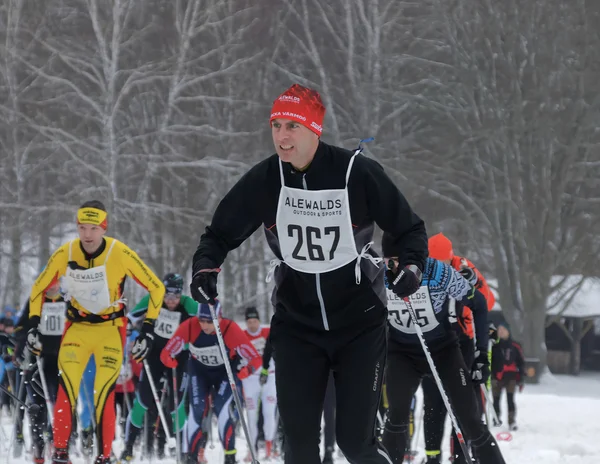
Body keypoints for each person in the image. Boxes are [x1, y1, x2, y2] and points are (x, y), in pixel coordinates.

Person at [189, 83, 427, 464]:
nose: (281, 137)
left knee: (355, 443)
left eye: (292, 127)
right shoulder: (266, 179)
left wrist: (410, 267)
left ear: (315, 129)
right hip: (297, 325)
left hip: (359, 325)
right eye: (275, 126)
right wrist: (205, 268)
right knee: (298, 448)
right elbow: (218, 234)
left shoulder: (355, 172)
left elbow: (408, 228)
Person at [26, 200, 165, 464]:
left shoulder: (119, 252)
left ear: (103, 228)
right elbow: (38, 288)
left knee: (103, 393)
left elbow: (156, 287)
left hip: (110, 330)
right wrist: (34, 325)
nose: (87, 235)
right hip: (76, 329)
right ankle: (60, 452)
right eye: (81, 228)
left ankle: (104, 455)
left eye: (93, 228)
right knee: (67, 388)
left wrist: (148, 330)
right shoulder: (65, 253)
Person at [381, 256, 506, 464]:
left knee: (470, 418)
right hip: (402, 353)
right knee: (396, 417)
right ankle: (432, 457)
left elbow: (480, 302)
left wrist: (482, 353)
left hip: (441, 350)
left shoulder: (438, 270)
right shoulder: (378, 271)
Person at [421, 233, 496, 463]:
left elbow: (487, 302)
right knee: (433, 402)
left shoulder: (463, 266)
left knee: (462, 403)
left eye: (443, 264)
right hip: (432, 340)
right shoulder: (420, 267)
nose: (438, 269)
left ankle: (459, 456)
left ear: (450, 258)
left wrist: (474, 281)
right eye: (434, 263)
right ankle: (432, 456)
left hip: (461, 340)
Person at [160, 300, 263, 464]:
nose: (205, 325)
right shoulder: (190, 325)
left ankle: (230, 457)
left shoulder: (230, 329)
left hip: (225, 373)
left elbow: (256, 359)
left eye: (210, 321)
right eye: (202, 320)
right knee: (197, 408)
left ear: (219, 318)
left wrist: (247, 370)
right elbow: (167, 351)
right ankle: (191, 457)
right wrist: (168, 359)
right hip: (199, 373)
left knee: (221, 408)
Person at [121, 272, 197, 461]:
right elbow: (129, 317)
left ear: (181, 295)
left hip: (179, 357)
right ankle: (128, 448)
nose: (171, 301)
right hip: (155, 356)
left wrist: (185, 346)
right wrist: (129, 328)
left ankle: (183, 451)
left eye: (175, 297)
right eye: (167, 296)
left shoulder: (189, 305)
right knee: (143, 401)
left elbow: (208, 323)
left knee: (176, 405)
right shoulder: (153, 299)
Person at [14, 278, 65, 463]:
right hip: (36, 360)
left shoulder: (66, 301)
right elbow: (19, 328)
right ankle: (38, 448)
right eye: (49, 283)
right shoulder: (35, 300)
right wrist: (27, 336)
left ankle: (56, 443)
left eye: (55, 282)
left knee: (59, 403)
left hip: (58, 360)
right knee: (36, 406)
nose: (53, 286)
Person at [240, 306, 278, 461]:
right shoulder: (242, 336)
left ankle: (270, 447)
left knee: (269, 413)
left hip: (270, 377)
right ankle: (251, 449)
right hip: (250, 380)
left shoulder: (267, 332)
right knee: (251, 415)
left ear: (259, 321)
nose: (252, 324)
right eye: (249, 321)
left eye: (254, 321)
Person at [491, 322, 525, 431]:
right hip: (496, 376)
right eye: (499, 330)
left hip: (511, 377)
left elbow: (521, 363)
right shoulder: (493, 345)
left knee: (510, 399)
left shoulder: (515, 346)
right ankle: (496, 419)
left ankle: (512, 421)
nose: (501, 332)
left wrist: (521, 379)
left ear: (508, 331)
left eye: (503, 330)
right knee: (496, 399)